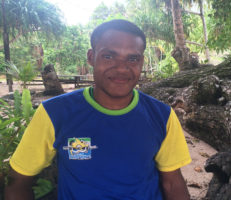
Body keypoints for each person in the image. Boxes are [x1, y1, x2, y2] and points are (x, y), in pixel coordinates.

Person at [5, 19, 191, 200]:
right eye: (109, 56)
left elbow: (172, 184)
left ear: (141, 62)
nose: (121, 69)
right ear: (91, 57)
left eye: (132, 58)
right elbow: (18, 182)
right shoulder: (54, 113)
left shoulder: (162, 116)